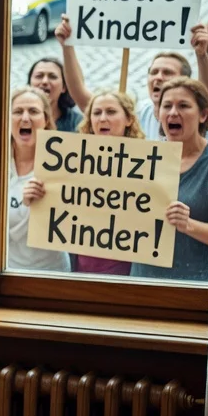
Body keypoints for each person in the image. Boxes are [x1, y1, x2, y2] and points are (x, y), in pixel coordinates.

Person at [56, 15, 208, 139]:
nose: (158, 77)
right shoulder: (139, 112)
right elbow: (82, 96)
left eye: (167, 72)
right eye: (153, 72)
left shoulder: (191, 114)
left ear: (184, 81)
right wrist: (67, 46)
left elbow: (207, 96)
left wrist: (202, 55)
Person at [129, 77, 208, 282]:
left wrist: (188, 225)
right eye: (167, 106)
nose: (173, 113)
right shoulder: (141, 159)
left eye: (183, 106)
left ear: (203, 115)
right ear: (158, 113)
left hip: (192, 287)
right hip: (141, 282)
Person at [67, 90, 145, 276]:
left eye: (111, 112)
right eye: (96, 113)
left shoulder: (146, 164)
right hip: (82, 265)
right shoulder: (72, 161)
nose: (102, 118)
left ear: (129, 119)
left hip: (128, 268)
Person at [9, 87, 72, 273]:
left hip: (52, 272)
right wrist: (26, 204)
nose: (25, 118)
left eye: (33, 111)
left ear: (46, 120)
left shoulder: (64, 165)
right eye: (18, 111)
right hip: (7, 272)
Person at [27, 57, 83, 132]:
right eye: (39, 76)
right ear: (29, 84)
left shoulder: (77, 122)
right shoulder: (16, 117)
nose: (45, 81)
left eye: (52, 77)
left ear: (64, 87)